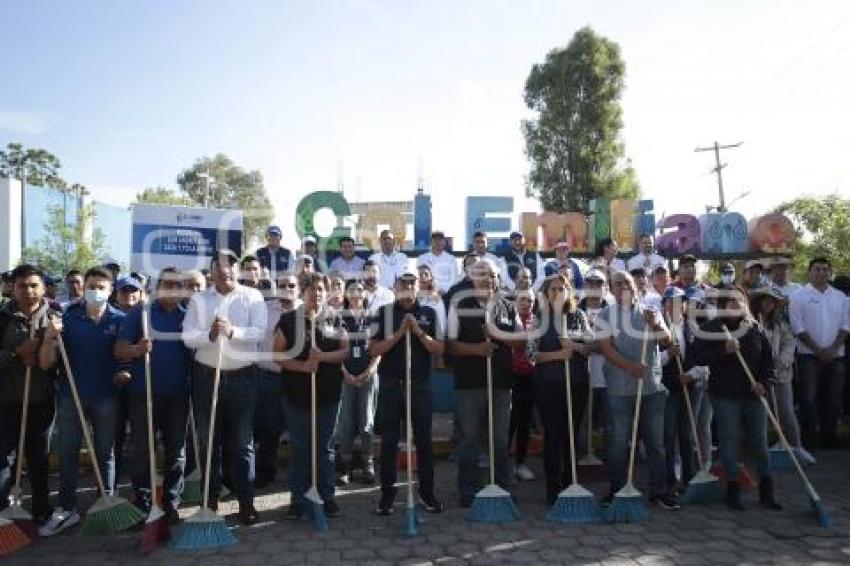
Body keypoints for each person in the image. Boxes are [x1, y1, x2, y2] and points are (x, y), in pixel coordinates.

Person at [181, 249, 267, 525]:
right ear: (212, 271)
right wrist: (209, 335)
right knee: (208, 444)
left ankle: (246, 503)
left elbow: (259, 332)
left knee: (242, 445)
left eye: (230, 265)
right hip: (207, 378)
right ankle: (210, 501)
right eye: (219, 265)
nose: (225, 270)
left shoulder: (252, 297)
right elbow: (187, 337)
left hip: (243, 378)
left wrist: (233, 332)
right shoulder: (199, 299)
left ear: (238, 269)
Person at [38, 267, 125, 536]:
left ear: (110, 291)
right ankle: (67, 509)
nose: (96, 291)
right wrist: (51, 339)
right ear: (84, 287)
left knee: (105, 453)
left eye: (102, 287)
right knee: (69, 453)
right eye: (92, 286)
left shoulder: (121, 320)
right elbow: (46, 362)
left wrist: (125, 372)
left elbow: (126, 358)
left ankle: (106, 503)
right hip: (71, 396)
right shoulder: (67, 319)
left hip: (106, 397)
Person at [693, 285, 781, 511]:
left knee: (759, 442)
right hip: (724, 396)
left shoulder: (754, 328)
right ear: (723, 305)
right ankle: (733, 488)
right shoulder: (712, 328)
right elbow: (697, 356)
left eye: (740, 301)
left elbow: (768, 363)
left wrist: (764, 382)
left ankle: (766, 489)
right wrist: (724, 350)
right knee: (729, 440)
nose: (736, 305)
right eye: (731, 301)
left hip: (753, 395)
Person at [595, 270, 678, 510]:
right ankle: (617, 490)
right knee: (618, 442)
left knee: (655, 442)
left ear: (636, 286)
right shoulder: (605, 315)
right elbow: (606, 349)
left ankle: (659, 491)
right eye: (617, 284)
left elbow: (667, 342)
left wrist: (656, 325)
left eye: (627, 283)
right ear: (610, 289)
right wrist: (631, 367)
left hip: (650, 388)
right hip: (619, 390)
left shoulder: (650, 311)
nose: (623, 288)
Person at [114, 268, 190, 524]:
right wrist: (137, 349)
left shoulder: (188, 315)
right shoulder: (141, 313)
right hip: (144, 394)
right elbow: (119, 348)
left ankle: (170, 503)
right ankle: (144, 502)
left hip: (179, 395)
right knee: (143, 450)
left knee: (176, 452)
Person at [448, 259, 526, 507]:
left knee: (500, 439)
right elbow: (450, 345)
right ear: (471, 278)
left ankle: (502, 486)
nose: (487, 279)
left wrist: (497, 334)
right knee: (469, 437)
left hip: (501, 382)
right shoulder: (459, 304)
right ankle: (468, 490)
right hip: (469, 384)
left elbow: (521, 340)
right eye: (482, 275)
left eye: (492, 275)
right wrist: (477, 349)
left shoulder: (508, 305)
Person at [274, 272, 349, 520]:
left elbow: (345, 351)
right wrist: (303, 366)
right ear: (303, 292)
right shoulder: (288, 320)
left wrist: (323, 358)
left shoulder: (335, 319)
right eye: (312, 289)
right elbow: (277, 355)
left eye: (321, 289)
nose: (317, 293)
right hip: (296, 398)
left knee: (325, 449)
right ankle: (298, 500)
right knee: (301, 449)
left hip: (328, 397)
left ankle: (327, 498)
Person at [370, 271, 445, 514]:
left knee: (424, 441)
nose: (408, 288)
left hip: (420, 385)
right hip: (392, 385)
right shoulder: (383, 313)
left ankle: (427, 493)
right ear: (395, 287)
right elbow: (374, 349)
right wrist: (400, 334)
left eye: (412, 284)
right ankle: (387, 495)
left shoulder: (429, 313)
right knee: (390, 441)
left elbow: (438, 349)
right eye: (404, 284)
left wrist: (419, 332)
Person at [0, 264, 59, 526]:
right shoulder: (2, 319)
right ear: (12, 288)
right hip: (6, 401)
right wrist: (16, 354)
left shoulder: (54, 319)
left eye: (34, 285)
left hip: (41, 402)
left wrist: (49, 341)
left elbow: (52, 364)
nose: (28, 291)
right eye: (22, 286)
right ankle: (3, 511)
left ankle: (41, 508)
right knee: (4, 459)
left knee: (38, 458)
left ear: (44, 288)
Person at [529, 274, 593, 505]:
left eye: (561, 288)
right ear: (546, 294)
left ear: (568, 292)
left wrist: (573, 345)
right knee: (553, 437)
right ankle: (553, 490)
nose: (557, 293)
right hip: (548, 386)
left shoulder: (578, 316)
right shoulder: (539, 319)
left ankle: (571, 484)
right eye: (553, 289)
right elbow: (531, 355)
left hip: (576, 385)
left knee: (571, 436)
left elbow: (590, 347)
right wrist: (558, 354)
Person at [789, 257, 849, 450]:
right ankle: (808, 439)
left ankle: (829, 438)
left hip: (836, 355)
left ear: (829, 273)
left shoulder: (841, 297)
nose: (822, 273)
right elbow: (798, 328)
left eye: (825, 270)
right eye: (817, 269)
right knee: (808, 399)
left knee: (833, 399)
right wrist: (817, 349)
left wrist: (832, 349)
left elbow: (846, 327)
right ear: (809, 272)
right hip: (808, 356)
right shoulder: (798, 296)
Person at [659, 286, 709, 494]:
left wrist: (692, 374)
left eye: (680, 301)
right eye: (671, 301)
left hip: (692, 387)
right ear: (664, 305)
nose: (675, 306)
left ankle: (689, 478)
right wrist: (667, 355)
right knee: (668, 435)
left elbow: (707, 363)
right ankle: (669, 479)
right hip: (668, 389)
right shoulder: (656, 328)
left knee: (687, 435)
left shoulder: (695, 329)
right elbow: (651, 362)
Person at [253, 272, 299, 488]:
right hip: (268, 377)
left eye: (291, 285)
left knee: (298, 427)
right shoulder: (264, 309)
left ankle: (298, 475)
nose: (286, 288)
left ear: (298, 288)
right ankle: (265, 470)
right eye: (282, 285)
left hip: (297, 376)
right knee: (267, 428)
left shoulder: (304, 309)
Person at [750, 285, 804, 455]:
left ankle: (796, 448)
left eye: (770, 301)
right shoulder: (748, 324)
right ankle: (763, 453)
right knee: (761, 416)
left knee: (786, 413)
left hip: (780, 376)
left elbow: (789, 345)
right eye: (763, 301)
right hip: (756, 378)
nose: (766, 304)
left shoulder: (781, 325)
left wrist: (779, 363)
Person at [336, 279, 380, 485]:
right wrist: (345, 373)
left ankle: (367, 464)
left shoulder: (373, 318)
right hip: (344, 376)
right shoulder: (337, 318)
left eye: (360, 290)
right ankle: (344, 466)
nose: (356, 293)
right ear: (346, 294)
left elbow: (378, 350)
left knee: (366, 422)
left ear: (365, 294)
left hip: (368, 376)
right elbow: (333, 349)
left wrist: (367, 372)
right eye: (351, 290)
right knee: (345, 423)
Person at [113, 276, 143, 484]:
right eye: (124, 291)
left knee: (139, 434)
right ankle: (110, 480)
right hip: (112, 383)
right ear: (116, 294)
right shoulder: (110, 317)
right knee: (114, 434)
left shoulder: (147, 318)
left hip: (139, 383)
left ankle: (138, 479)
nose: (129, 295)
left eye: (134, 291)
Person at [578, 269, 611, 455]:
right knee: (582, 421)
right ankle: (583, 459)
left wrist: (594, 345)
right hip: (583, 376)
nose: (594, 287)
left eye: (598, 283)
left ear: (604, 287)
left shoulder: (613, 311)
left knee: (609, 422)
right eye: (590, 283)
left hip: (609, 376)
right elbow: (573, 341)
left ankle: (609, 462)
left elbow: (616, 341)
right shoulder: (574, 311)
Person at [509, 289, 536, 482]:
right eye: (523, 300)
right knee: (509, 423)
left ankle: (520, 463)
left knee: (524, 422)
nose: (527, 303)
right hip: (510, 376)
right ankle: (502, 465)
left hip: (530, 377)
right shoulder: (508, 319)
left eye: (531, 300)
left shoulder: (538, 322)